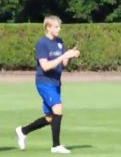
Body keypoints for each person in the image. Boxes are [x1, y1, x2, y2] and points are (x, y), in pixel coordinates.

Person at [16, 15, 80, 153]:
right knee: (58, 108)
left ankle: (23, 131)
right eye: (56, 26)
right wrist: (63, 56)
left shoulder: (59, 41)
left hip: (56, 82)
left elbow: (63, 64)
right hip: (44, 82)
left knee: (51, 117)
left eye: (59, 26)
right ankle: (56, 146)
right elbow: (45, 66)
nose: (59, 29)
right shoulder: (42, 43)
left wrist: (70, 55)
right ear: (48, 27)